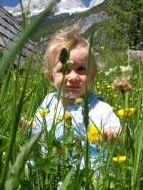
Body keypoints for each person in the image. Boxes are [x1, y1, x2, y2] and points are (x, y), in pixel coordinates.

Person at [32, 25, 121, 172]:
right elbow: (38, 127)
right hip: (51, 167)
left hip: (87, 172)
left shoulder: (99, 109)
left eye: (81, 69)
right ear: (51, 78)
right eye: (63, 70)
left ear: (92, 75)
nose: (73, 77)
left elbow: (121, 135)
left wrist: (110, 134)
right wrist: (26, 126)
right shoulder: (49, 102)